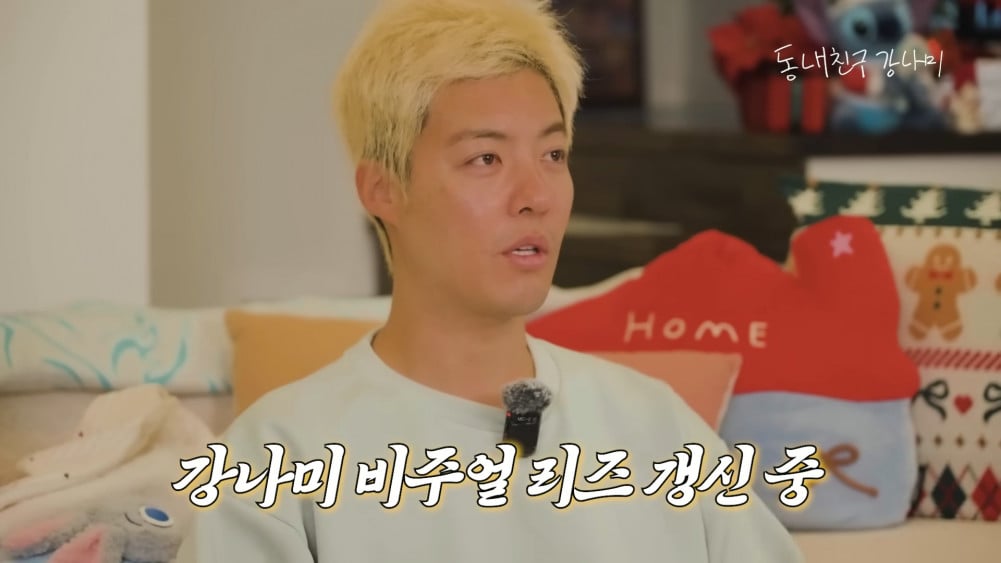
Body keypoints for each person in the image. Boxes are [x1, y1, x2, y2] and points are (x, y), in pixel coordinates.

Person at [174, 0, 805, 561]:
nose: (536, 195)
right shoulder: (276, 458)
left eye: (553, 155)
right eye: (486, 158)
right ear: (383, 189)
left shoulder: (655, 426)